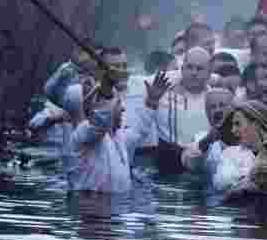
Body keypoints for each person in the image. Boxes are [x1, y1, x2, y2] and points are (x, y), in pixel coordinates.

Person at [32, 49, 167, 193]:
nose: (122, 110)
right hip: (91, 209)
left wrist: (152, 102)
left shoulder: (117, 138)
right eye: (118, 105)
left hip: (114, 209)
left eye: (124, 66)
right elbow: (101, 118)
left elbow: (138, 131)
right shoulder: (83, 135)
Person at [144, 46, 213, 175]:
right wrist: (152, 101)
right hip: (166, 162)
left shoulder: (215, 100)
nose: (194, 72)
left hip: (202, 165)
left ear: (209, 73)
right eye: (189, 67)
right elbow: (141, 128)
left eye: (199, 69)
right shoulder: (161, 90)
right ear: (181, 69)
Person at [179, 86, 235, 179]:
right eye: (213, 107)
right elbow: (189, 164)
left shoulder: (245, 137)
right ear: (207, 113)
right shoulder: (200, 138)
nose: (218, 110)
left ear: (233, 110)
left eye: (222, 105)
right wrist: (207, 141)